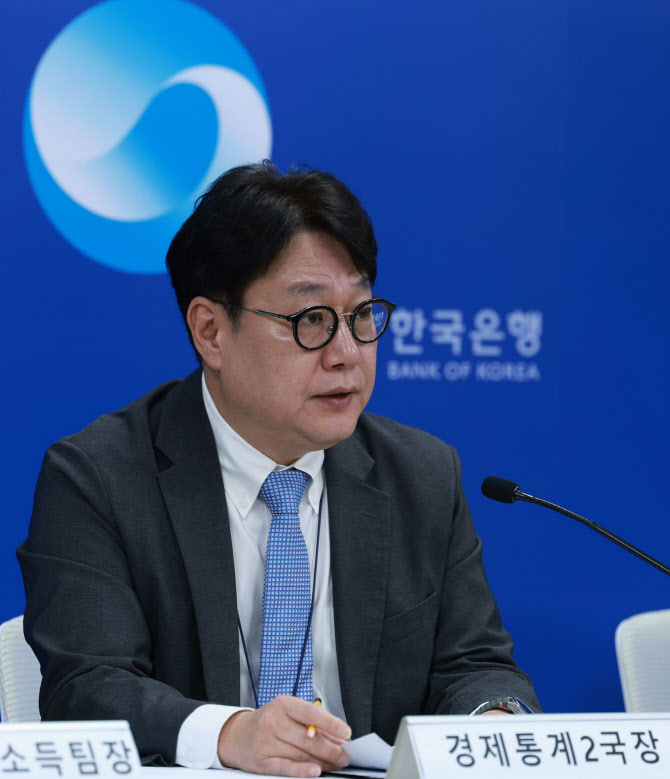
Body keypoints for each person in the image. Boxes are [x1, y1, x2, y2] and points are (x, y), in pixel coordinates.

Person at [19, 161, 540, 777]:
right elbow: (87, 687)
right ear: (211, 332)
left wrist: (492, 721)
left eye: (362, 314)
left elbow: (474, 665)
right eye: (311, 319)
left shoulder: (421, 476)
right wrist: (230, 733)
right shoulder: (99, 479)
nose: (347, 353)